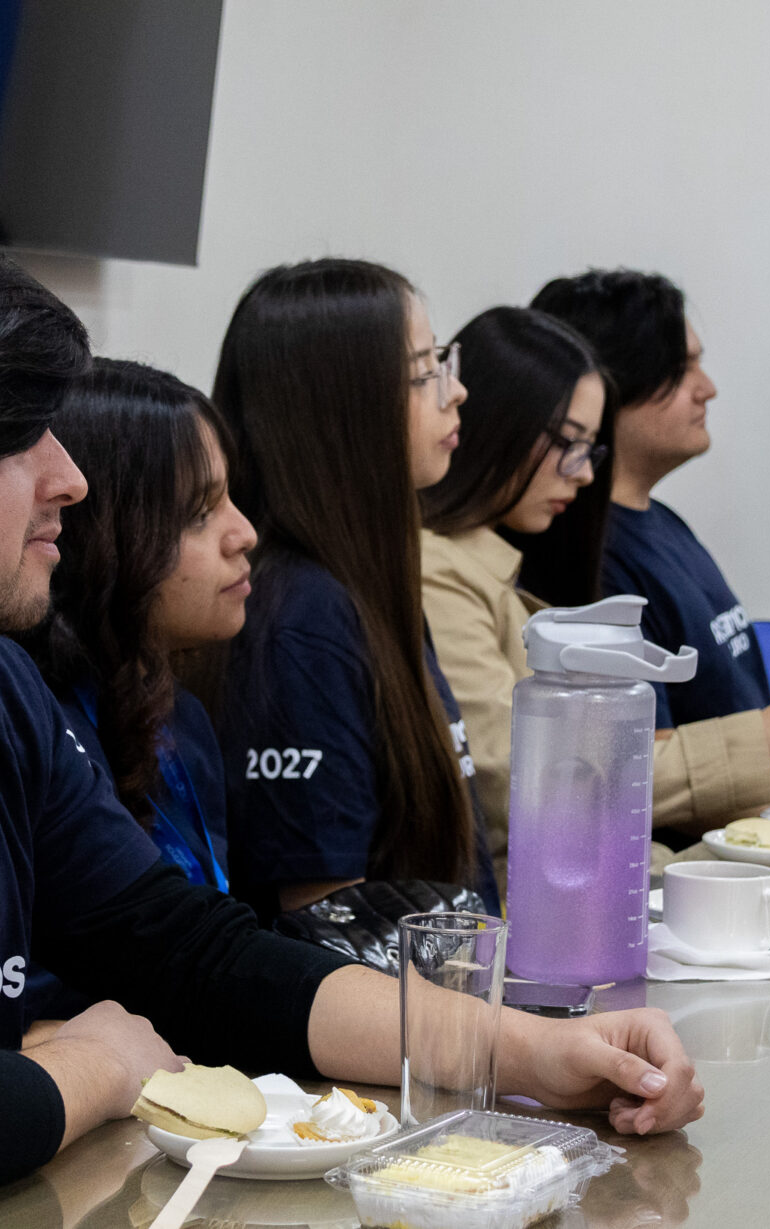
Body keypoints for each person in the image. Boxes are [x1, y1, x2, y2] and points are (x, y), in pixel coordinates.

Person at [0, 213, 703, 1227]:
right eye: (14, 434)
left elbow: (192, 953)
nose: (70, 477)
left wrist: (524, 1049)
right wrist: (98, 1062)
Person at [421, 307, 770, 855]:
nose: (585, 472)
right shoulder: (440, 573)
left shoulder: (505, 562)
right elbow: (517, 780)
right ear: (501, 423)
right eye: (569, 443)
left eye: (588, 448)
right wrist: (763, 738)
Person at [210, 257, 500, 923]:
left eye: (442, 362)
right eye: (425, 372)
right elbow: (327, 922)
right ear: (344, 408)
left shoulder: (360, 584)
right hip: (385, 988)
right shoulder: (302, 618)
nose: (456, 391)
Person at [531, 269, 770, 794]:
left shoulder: (663, 522)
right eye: (681, 370)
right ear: (609, 386)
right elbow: (648, 771)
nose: (707, 389)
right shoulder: (591, 561)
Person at [14, 358, 254, 1019]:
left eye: (230, 498)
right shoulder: (32, 720)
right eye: (199, 513)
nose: (245, 533)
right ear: (99, 532)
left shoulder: (182, 718)